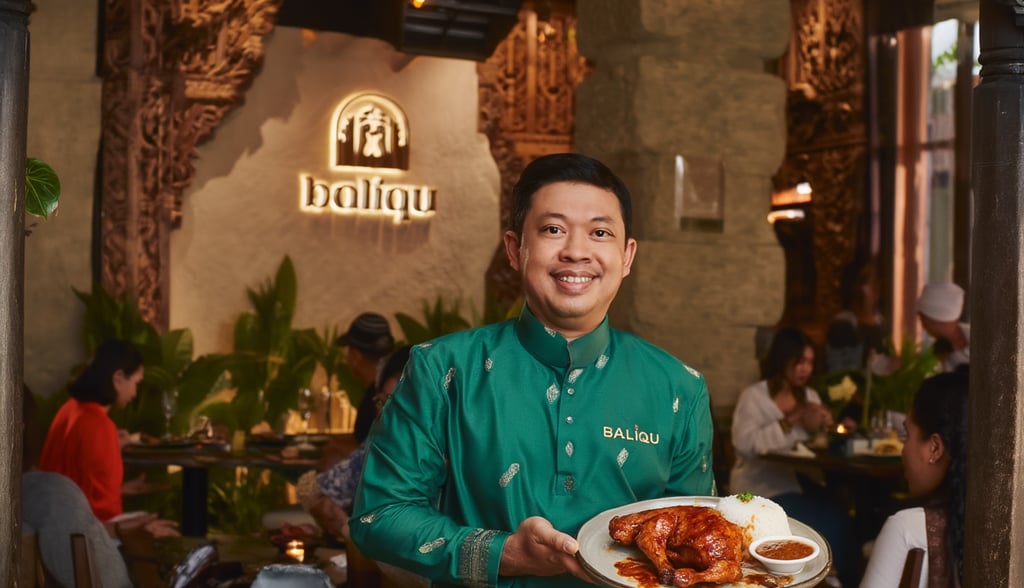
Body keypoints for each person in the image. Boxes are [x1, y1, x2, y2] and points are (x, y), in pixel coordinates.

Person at [349, 153, 716, 587]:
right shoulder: (442, 369)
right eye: (553, 230)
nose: (576, 251)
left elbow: (697, 537)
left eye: (600, 232)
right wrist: (501, 553)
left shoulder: (678, 388)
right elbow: (379, 516)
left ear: (627, 256)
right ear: (515, 249)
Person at [730, 327, 855, 586]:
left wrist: (833, 426)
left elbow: (819, 439)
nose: (805, 369)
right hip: (760, 486)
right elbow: (744, 443)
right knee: (831, 517)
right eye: (799, 361)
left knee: (843, 510)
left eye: (810, 362)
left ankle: (833, 575)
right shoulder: (754, 396)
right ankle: (823, 577)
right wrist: (792, 419)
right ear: (782, 359)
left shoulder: (809, 396)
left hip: (801, 479)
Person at [38, 339, 178, 537]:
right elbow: (104, 513)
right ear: (118, 378)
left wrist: (120, 488)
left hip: (52, 529)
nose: (135, 393)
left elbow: (75, 485)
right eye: (136, 383)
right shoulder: (100, 425)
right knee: (163, 532)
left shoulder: (68, 409)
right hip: (84, 539)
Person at [860, 369, 968, 587]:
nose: (903, 450)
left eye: (907, 435)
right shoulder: (998, 523)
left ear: (935, 448)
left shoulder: (906, 529)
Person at [296, 345, 412, 539]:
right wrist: (345, 526)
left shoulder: (451, 457)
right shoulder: (378, 448)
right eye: (382, 402)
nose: (386, 414)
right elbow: (310, 489)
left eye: (398, 403)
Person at [337, 312, 396, 444]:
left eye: (348, 352)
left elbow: (369, 450)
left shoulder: (377, 398)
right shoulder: (399, 385)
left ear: (356, 356)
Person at [917, 282, 969, 372]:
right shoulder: (937, 352)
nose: (922, 323)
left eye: (921, 317)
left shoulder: (983, 341)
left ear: (932, 319)